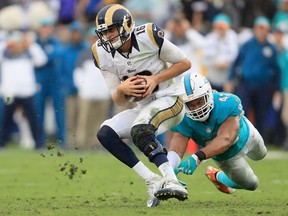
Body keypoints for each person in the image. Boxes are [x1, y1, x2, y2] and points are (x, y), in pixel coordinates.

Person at [92, 4, 190, 207]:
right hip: (144, 107)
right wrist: (122, 89)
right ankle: (152, 180)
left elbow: (184, 63)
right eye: (104, 32)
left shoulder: (148, 35)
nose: (108, 36)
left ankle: (171, 180)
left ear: (126, 25)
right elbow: (118, 101)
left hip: (170, 98)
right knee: (105, 133)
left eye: (111, 29)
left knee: (141, 128)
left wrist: (155, 79)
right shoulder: (101, 52)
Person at [167, 72, 267, 194]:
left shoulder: (227, 102)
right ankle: (217, 176)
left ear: (208, 94)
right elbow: (177, 147)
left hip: (246, 135)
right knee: (252, 184)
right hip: (226, 156)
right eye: (190, 105)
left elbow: (226, 139)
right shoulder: (181, 118)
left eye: (199, 102)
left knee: (261, 154)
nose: (196, 108)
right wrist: (169, 172)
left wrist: (197, 157)